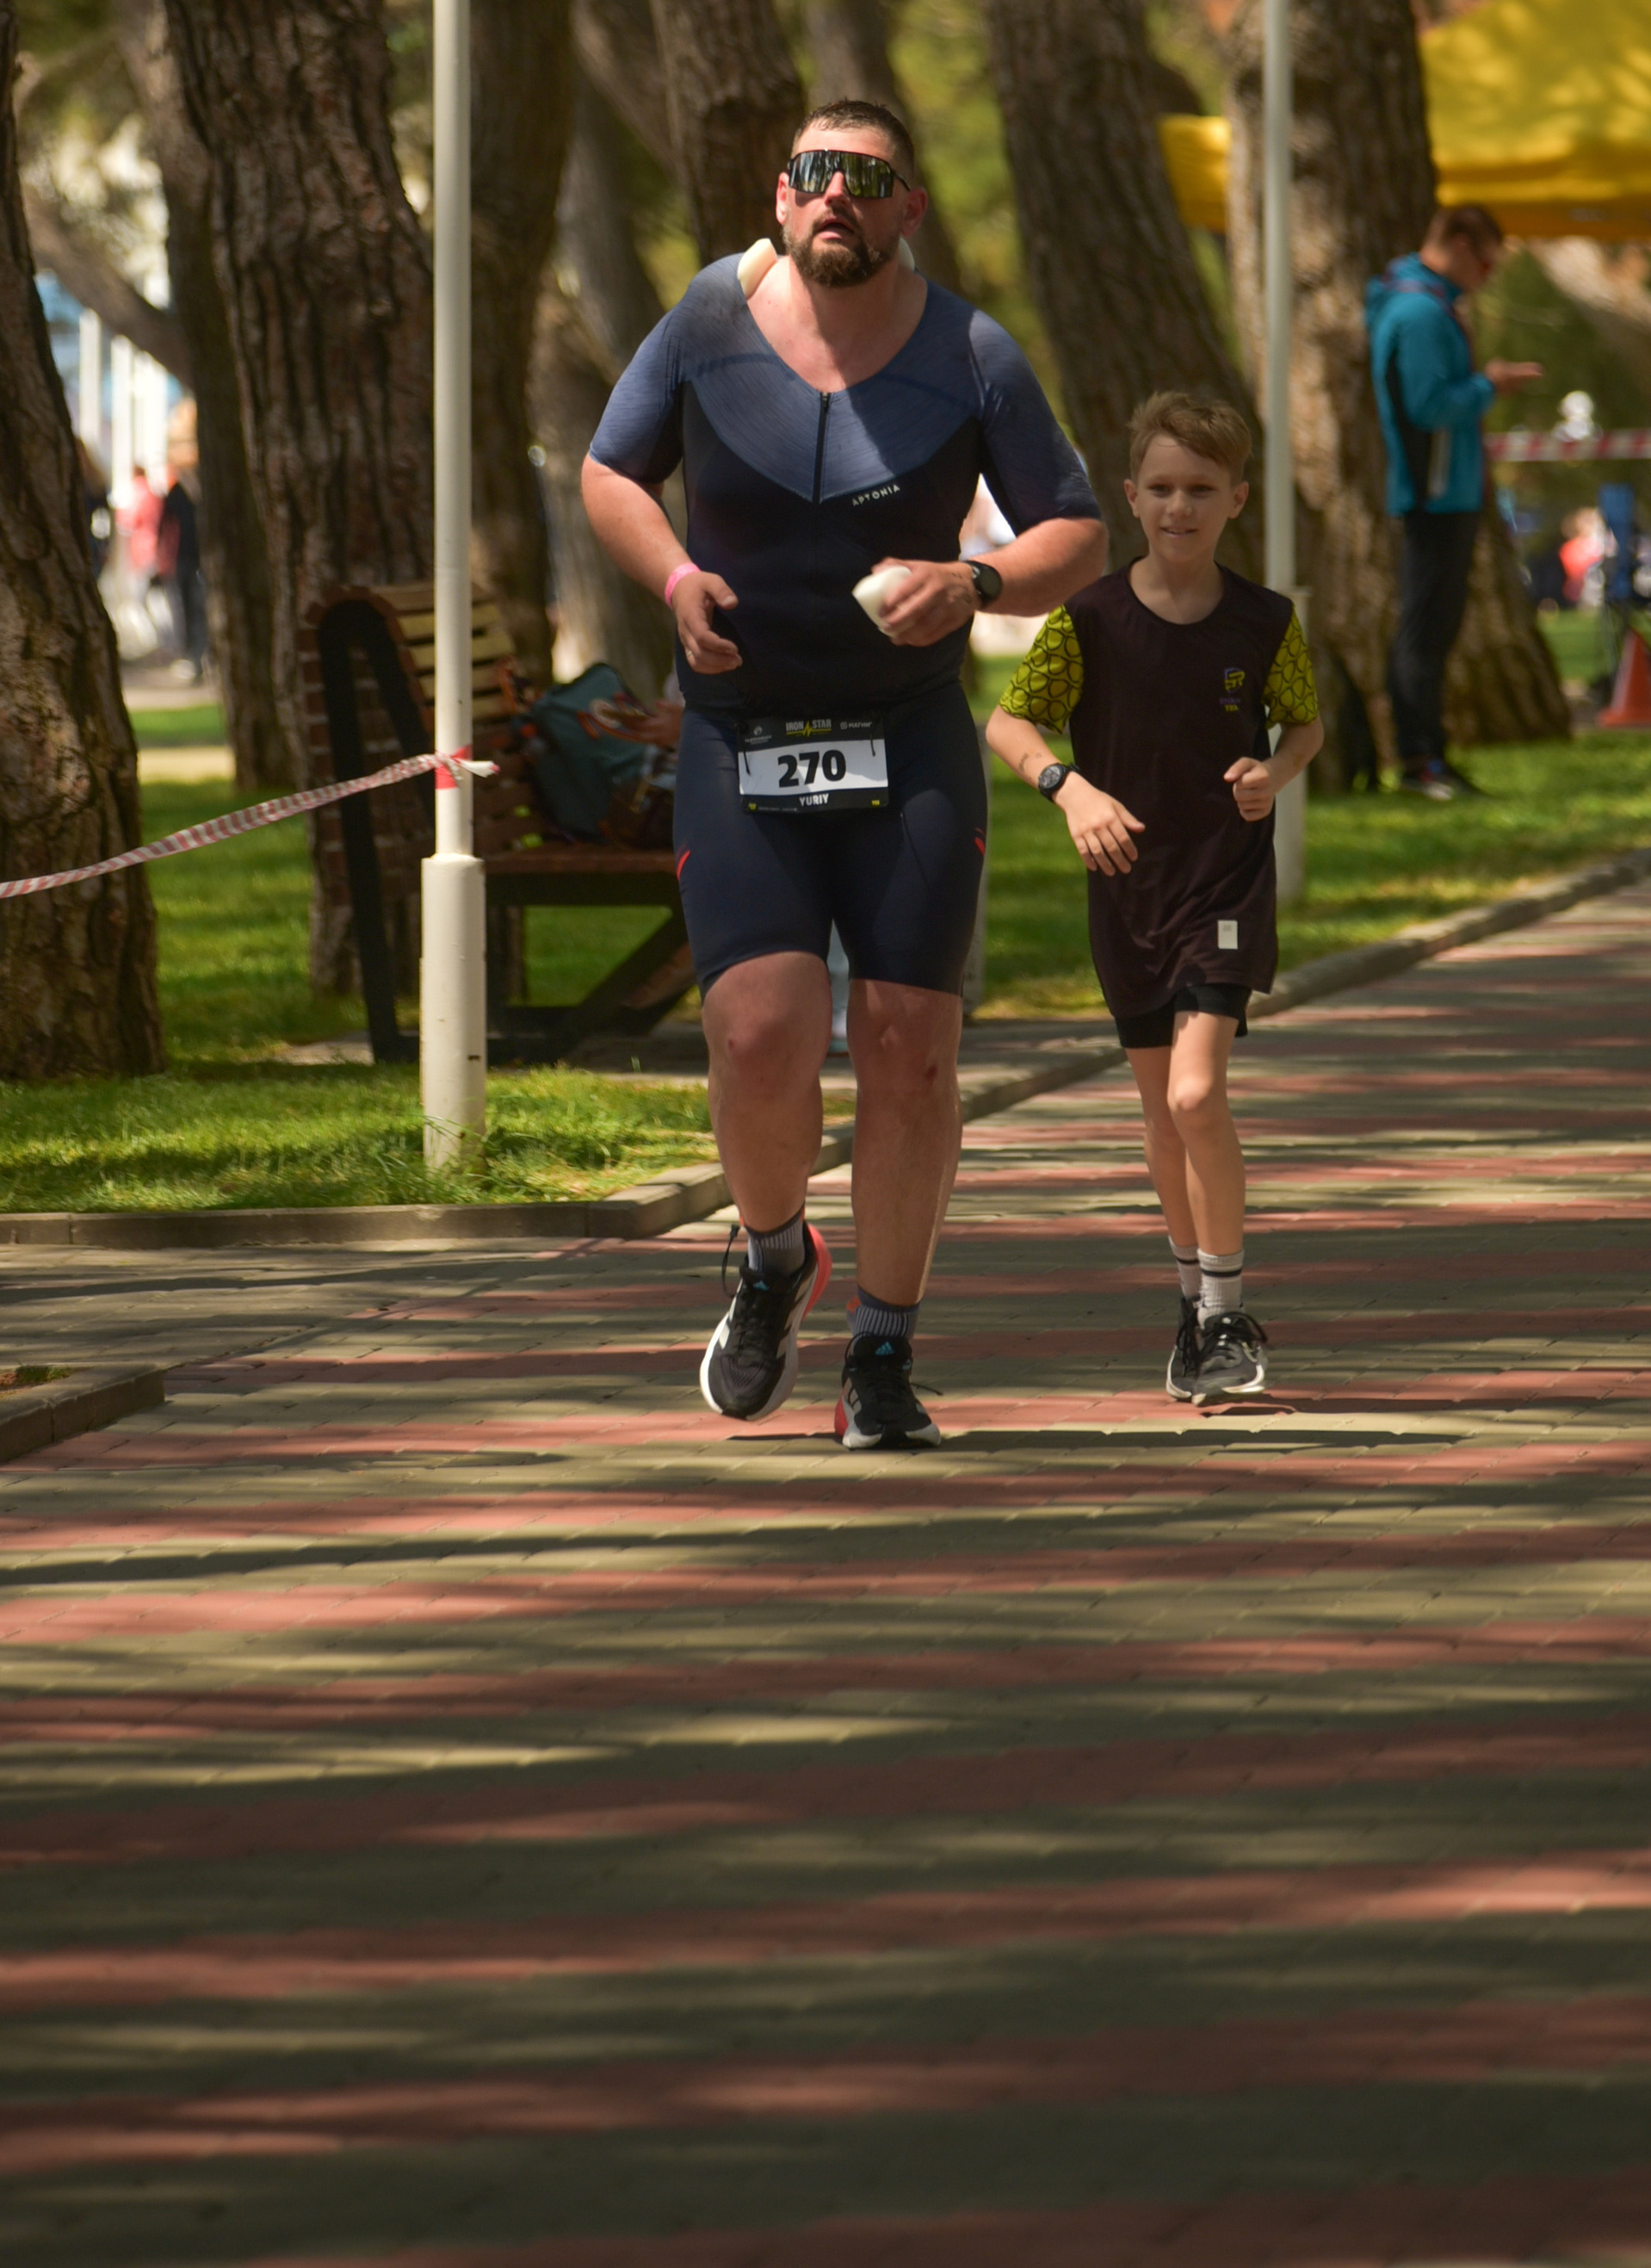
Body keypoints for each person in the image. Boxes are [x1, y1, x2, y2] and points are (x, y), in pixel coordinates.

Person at [580, 100, 1106, 1450]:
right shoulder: (707, 320)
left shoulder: (973, 351)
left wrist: (976, 579)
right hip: (740, 733)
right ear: (779, 194)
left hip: (908, 736)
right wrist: (678, 575)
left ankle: (883, 1347)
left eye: (869, 180)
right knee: (756, 1033)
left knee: (908, 1052)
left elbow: (1078, 533)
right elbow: (608, 473)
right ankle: (770, 1258)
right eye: (818, 174)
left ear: (907, 209)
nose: (839, 199)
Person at [986, 393, 1324, 1405]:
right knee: (1155, 1106)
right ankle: (1190, 1307)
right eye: (1163, 489)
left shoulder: (1267, 621)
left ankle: (1225, 1307)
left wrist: (1277, 770)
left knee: (1195, 1093)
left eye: (1202, 491)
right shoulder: (1088, 619)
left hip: (1223, 878)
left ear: (1236, 500)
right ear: (1131, 496)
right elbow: (1010, 727)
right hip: (1126, 889)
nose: (1180, 508)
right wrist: (1070, 789)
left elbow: (1301, 723)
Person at [1365, 202, 1540, 799]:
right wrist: (1490, 384)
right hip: (1433, 492)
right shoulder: (1418, 311)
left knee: (1434, 628)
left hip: (1445, 490)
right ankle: (1420, 762)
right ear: (1459, 244)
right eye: (1487, 262)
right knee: (1423, 629)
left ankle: (1428, 754)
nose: (1487, 276)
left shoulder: (1424, 303)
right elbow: (1428, 405)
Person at [156, 458, 207, 677]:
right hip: (183, 559)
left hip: (202, 558)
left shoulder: (205, 488)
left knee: (199, 607)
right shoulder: (177, 492)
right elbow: (164, 527)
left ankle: (200, 653)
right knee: (185, 607)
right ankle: (191, 655)